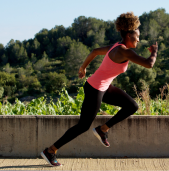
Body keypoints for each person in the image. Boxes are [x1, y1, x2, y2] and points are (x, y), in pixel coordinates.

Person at [41, 12, 158, 167]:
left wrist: (83, 67)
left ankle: (102, 129)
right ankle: (50, 151)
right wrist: (155, 52)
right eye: (137, 35)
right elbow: (149, 64)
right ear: (129, 35)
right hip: (95, 89)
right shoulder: (125, 51)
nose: (139, 39)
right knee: (83, 126)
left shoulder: (115, 47)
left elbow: (95, 51)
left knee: (132, 106)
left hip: (102, 87)